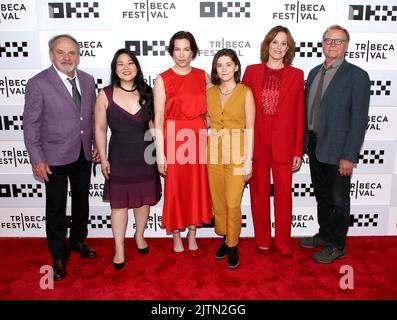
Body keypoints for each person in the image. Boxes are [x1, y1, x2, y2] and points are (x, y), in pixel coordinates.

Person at [23, 34, 98, 281]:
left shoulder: (87, 81)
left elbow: (93, 119)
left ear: (78, 55)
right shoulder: (38, 83)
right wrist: (36, 159)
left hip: (82, 154)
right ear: (51, 55)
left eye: (72, 53)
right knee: (55, 208)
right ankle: (58, 255)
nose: (67, 57)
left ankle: (77, 240)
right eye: (61, 52)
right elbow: (31, 125)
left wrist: (97, 145)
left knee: (81, 203)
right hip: (53, 157)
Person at [299, 25, 370, 263]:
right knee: (322, 195)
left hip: (339, 149)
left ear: (346, 46)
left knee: (339, 199)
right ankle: (325, 235)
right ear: (322, 44)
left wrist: (349, 156)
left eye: (338, 41)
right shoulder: (313, 72)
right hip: (315, 144)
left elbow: (360, 120)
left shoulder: (357, 76)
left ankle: (338, 245)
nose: (332, 44)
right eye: (328, 40)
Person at [95, 49, 161, 270]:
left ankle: (139, 236)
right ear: (114, 69)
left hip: (145, 155)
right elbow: (100, 128)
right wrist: (103, 158)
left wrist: (160, 154)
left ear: (137, 67)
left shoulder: (148, 92)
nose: (125, 67)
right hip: (119, 156)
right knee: (119, 206)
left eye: (130, 63)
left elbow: (153, 127)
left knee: (143, 200)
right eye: (120, 64)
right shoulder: (105, 94)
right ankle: (119, 247)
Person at [242, 25, 304, 256]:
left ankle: (284, 242)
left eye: (283, 43)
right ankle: (262, 239)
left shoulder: (297, 75)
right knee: (258, 194)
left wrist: (298, 149)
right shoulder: (251, 72)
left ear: (288, 48)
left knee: (283, 196)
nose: (278, 47)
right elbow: (242, 111)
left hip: (284, 144)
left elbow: (299, 114)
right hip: (256, 142)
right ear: (267, 44)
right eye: (275, 42)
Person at [153, 31, 212, 255]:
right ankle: (176, 233)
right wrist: (160, 153)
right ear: (171, 51)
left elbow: (211, 110)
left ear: (193, 52)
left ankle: (192, 232)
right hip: (174, 139)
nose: (181, 54)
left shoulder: (202, 76)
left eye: (186, 49)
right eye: (177, 49)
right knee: (176, 189)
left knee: (197, 186)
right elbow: (158, 119)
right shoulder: (162, 79)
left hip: (198, 138)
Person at [206, 49, 255, 269]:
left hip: (238, 154)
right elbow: (207, 121)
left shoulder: (245, 92)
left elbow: (250, 128)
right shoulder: (210, 93)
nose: (224, 69)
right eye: (220, 65)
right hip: (213, 154)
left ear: (236, 66)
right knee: (219, 202)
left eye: (228, 64)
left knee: (233, 203)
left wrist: (248, 160)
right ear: (215, 69)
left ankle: (233, 245)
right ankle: (225, 238)